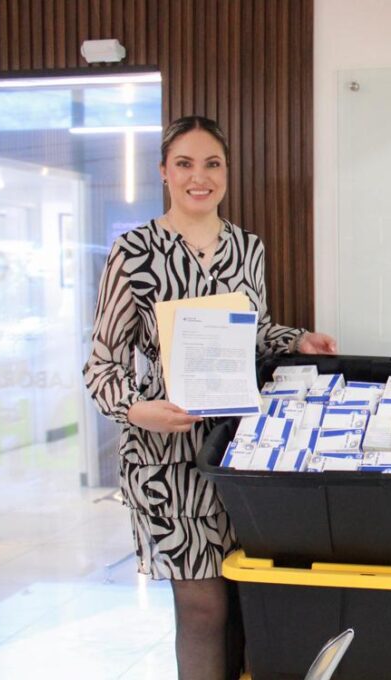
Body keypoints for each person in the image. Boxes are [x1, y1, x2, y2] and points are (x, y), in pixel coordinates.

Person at [83, 115, 337, 680]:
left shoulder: (247, 248)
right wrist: (138, 410)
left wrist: (297, 339)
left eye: (212, 164)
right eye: (185, 164)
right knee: (202, 608)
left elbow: (252, 331)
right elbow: (101, 365)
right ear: (164, 172)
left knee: (249, 601)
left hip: (242, 450)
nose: (199, 177)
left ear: (226, 171)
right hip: (167, 457)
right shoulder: (134, 251)